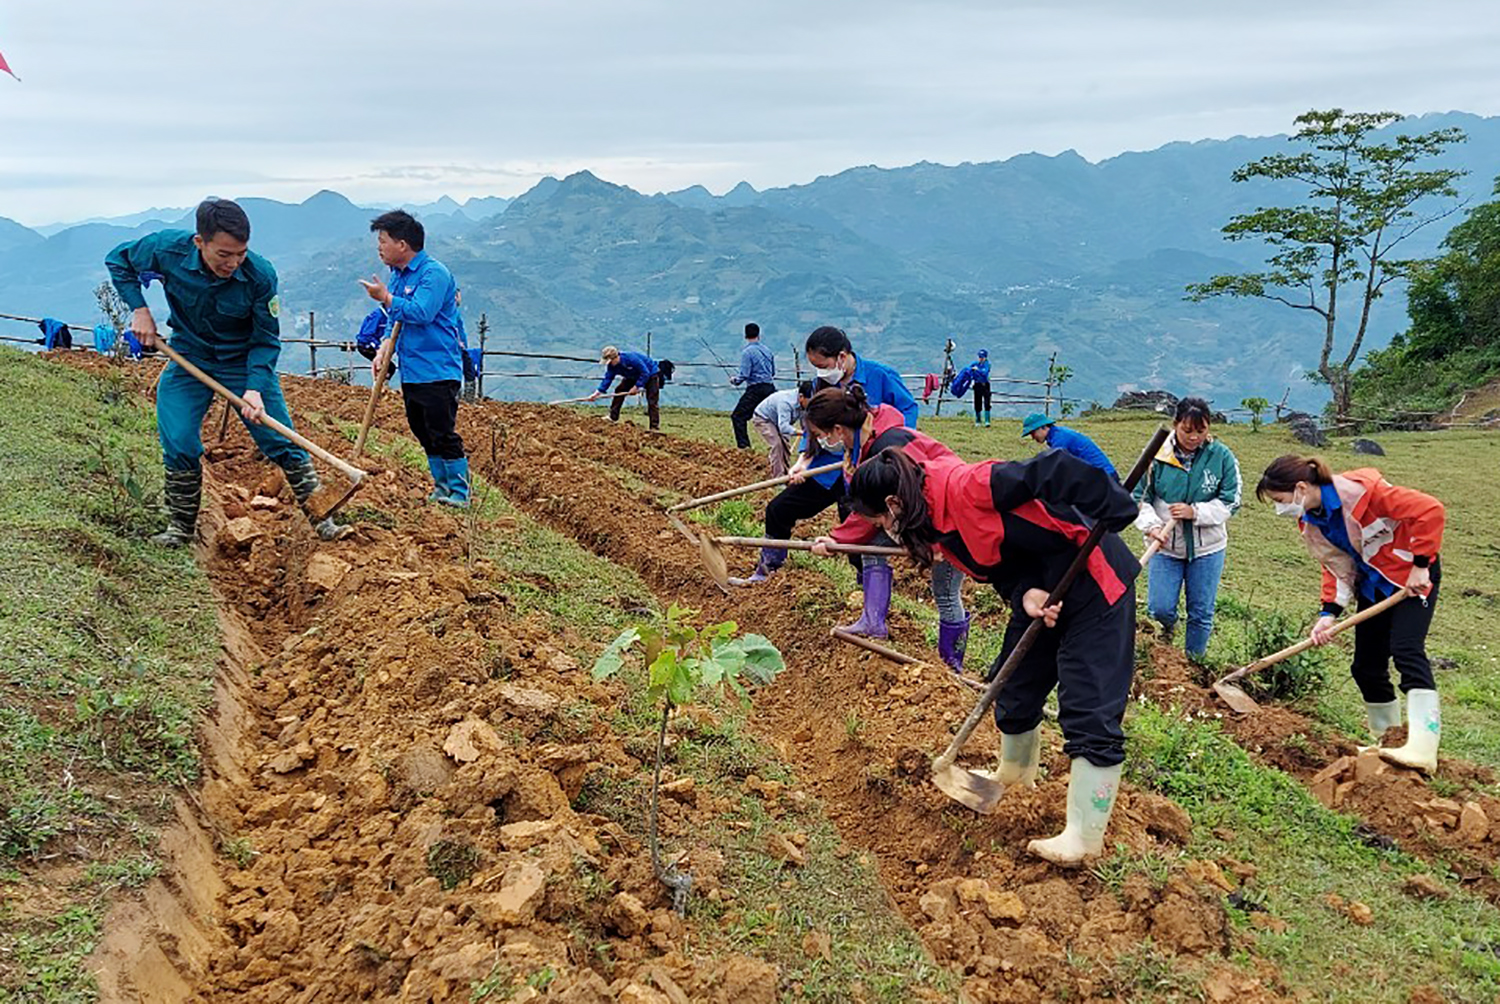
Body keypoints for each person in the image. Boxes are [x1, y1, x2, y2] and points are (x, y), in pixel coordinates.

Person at [847, 447, 1141, 865]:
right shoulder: (936, 526)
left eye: (878, 521)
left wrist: (1112, 506)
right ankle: (1016, 776)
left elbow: (1052, 468)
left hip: (1094, 579)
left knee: (1088, 702)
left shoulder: (967, 488)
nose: (881, 530)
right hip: (1045, 590)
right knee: (1013, 684)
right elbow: (1003, 568)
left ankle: (1084, 835)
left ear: (893, 504)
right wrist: (1027, 595)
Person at [105, 198, 349, 546]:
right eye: (224, 254)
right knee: (178, 438)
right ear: (199, 242)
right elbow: (119, 260)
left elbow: (266, 339)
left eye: (241, 254)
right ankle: (180, 529)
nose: (233, 263)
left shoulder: (260, 275)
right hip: (190, 355)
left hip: (241, 360)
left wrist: (255, 388)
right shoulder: (165, 249)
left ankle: (324, 522)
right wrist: (139, 310)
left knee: (281, 442)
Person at [1256, 456, 1446, 771]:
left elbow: (1430, 509)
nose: (1280, 508)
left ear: (1301, 487)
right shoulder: (1311, 520)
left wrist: (1421, 564)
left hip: (1411, 580)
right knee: (1366, 667)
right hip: (1373, 588)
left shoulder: (1364, 493)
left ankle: (1424, 747)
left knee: (1406, 650)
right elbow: (1334, 565)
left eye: (1280, 500)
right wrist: (1328, 612)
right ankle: (1387, 741)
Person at [804, 385, 972, 673]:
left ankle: (951, 666)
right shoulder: (866, 440)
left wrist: (836, 539)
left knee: (944, 591)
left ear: (837, 429)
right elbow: (869, 510)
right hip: (920, 517)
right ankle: (873, 621)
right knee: (874, 549)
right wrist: (837, 539)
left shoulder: (888, 449)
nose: (823, 443)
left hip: (951, 520)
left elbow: (927, 496)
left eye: (821, 436)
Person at [732, 325, 918, 585]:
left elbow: (907, 413)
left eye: (823, 364)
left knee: (856, 530)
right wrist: (801, 462)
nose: (820, 372)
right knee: (778, 509)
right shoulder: (821, 384)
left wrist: (888, 453)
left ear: (842, 357)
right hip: (827, 468)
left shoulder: (881, 376)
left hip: (863, 472)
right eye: (815, 366)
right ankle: (767, 571)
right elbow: (813, 426)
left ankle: (867, 588)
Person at [359, 210, 471, 508]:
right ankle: (441, 487)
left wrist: (386, 298)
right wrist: (384, 348)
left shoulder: (434, 274)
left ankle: (459, 493)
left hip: (437, 368)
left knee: (441, 430)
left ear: (403, 244)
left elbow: (422, 312)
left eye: (383, 241)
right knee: (421, 429)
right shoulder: (397, 276)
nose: (379, 247)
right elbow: (391, 322)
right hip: (412, 371)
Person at [1132, 397, 1240, 661]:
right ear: (1175, 424)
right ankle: (1168, 628)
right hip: (1165, 545)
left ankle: (1194, 663)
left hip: (1208, 548)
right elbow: (1138, 498)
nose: (1194, 438)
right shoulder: (1156, 455)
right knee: (1159, 607)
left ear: (1209, 428)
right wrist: (1152, 526)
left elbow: (1231, 500)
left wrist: (1196, 513)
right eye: (1187, 430)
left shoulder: (1221, 456)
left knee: (1201, 612)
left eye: (1200, 431)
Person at [590, 345, 672, 430]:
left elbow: (645, 373)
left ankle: (654, 426)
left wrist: (637, 386)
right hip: (632, 376)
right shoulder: (612, 366)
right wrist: (597, 393)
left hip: (651, 374)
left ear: (615, 358)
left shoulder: (631, 359)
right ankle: (613, 416)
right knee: (619, 390)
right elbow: (608, 379)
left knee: (652, 400)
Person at [1021, 413, 1117, 478]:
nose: (1033, 437)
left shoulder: (1060, 439)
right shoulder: (1057, 435)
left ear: (1043, 427)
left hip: (1103, 478)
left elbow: (1056, 466)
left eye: (1033, 433)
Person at [751, 380, 814, 479]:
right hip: (764, 418)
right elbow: (784, 427)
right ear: (801, 397)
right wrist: (801, 433)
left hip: (778, 420)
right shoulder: (786, 402)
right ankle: (778, 478)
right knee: (777, 445)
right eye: (810, 401)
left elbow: (804, 422)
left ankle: (787, 473)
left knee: (785, 446)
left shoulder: (804, 405)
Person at [729, 322, 776, 449]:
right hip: (770, 388)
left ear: (745, 335)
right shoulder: (767, 351)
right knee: (772, 419)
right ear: (758, 335)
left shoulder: (747, 352)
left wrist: (734, 380)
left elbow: (744, 374)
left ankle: (744, 447)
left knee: (738, 416)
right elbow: (773, 372)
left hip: (756, 389)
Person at [971, 349, 992, 427]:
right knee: (977, 402)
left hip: (985, 385)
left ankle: (987, 421)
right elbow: (969, 369)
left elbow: (985, 373)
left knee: (987, 402)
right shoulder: (975, 364)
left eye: (982, 357)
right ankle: (978, 420)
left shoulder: (987, 364)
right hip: (977, 385)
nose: (980, 358)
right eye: (979, 357)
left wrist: (977, 371)